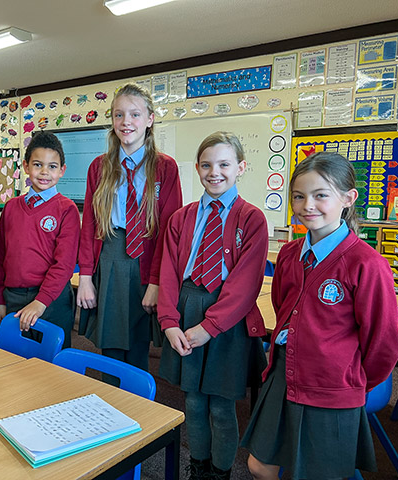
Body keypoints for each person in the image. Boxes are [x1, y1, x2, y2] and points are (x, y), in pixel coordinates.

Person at [241, 152, 398, 480]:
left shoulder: (366, 263)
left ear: (347, 198)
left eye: (320, 195)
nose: (307, 206)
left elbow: (384, 343)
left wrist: (349, 380)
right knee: (259, 466)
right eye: (299, 196)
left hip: (331, 384)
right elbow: (284, 306)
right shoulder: (289, 254)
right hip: (285, 372)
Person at [158, 132, 268, 480]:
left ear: (240, 168)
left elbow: (246, 284)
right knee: (192, 401)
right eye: (206, 165)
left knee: (221, 407)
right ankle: (199, 467)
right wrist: (169, 321)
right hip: (187, 308)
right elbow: (168, 273)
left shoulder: (252, 219)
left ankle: (221, 472)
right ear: (197, 168)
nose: (214, 171)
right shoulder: (181, 218)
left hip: (227, 318)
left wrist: (209, 327)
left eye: (224, 164)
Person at [77, 83, 182, 372]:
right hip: (110, 254)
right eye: (119, 115)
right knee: (109, 341)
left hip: (147, 258)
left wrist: (157, 282)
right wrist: (85, 276)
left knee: (138, 345)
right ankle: (110, 403)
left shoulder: (165, 168)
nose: (126, 122)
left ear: (149, 119)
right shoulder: (99, 167)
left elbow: (169, 233)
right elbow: (89, 225)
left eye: (135, 115)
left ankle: (136, 405)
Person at [0, 131, 80, 348]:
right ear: (25, 166)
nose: (44, 172)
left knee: (52, 366)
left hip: (51, 300)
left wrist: (40, 303)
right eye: (38, 164)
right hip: (12, 297)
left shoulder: (66, 209)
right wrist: (0, 301)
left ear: (62, 171)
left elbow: (65, 265)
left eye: (52, 166)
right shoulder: (12, 207)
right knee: (13, 361)